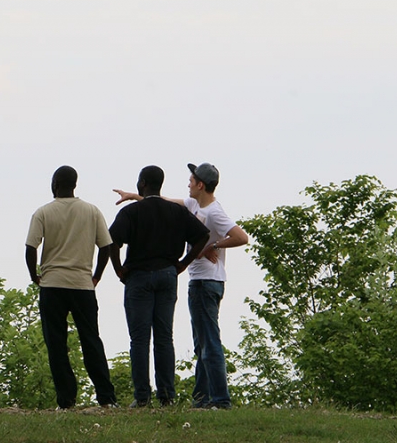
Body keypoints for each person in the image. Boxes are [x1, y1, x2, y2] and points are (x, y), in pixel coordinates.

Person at [114, 162, 248, 409]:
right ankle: (191, 398)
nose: (188, 182)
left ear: (201, 185)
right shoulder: (191, 206)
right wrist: (135, 196)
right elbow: (166, 205)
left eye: (192, 179)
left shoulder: (213, 211)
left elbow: (240, 237)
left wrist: (212, 247)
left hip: (200, 281)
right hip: (184, 278)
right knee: (188, 340)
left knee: (203, 342)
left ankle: (217, 399)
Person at [108, 165, 209, 408]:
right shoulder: (175, 211)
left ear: (142, 183)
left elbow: (111, 240)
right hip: (167, 275)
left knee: (140, 339)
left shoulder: (132, 212)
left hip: (139, 277)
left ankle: (142, 397)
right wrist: (183, 263)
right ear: (160, 184)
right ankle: (166, 396)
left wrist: (118, 268)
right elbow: (203, 235)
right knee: (164, 337)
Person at [25, 165, 117, 410]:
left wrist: (35, 275)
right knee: (91, 340)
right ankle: (106, 397)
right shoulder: (92, 211)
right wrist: (96, 276)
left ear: (54, 183)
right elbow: (106, 246)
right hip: (82, 284)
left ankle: (66, 400)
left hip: (53, 284)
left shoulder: (43, 212)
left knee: (56, 343)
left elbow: (31, 248)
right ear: (75, 185)